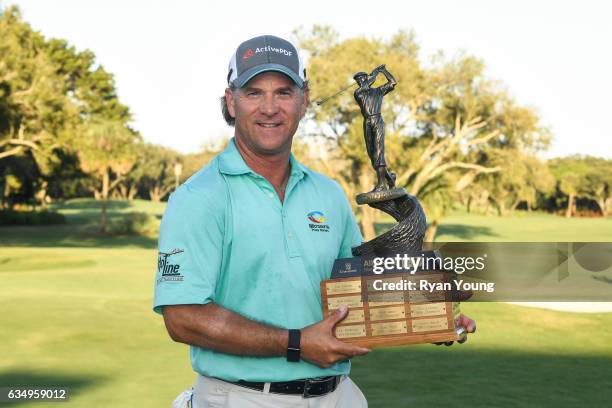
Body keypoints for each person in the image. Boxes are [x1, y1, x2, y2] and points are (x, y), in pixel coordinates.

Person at [153, 34, 476, 408]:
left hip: (338, 397)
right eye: (254, 92)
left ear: (304, 100)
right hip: (244, 398)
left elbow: (355, 292)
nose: (269, 108)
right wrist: (296, 343)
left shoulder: (328, 194)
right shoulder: (199, 197)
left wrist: (423, 316)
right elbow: (182, 318)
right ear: (231, 101)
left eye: (284, 92)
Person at [353, 65, 396, 192]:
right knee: (372, 155)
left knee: (378, 152)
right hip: (367, 122)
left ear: (365, 78)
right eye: (358, 80)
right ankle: (390, 178)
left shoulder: (378, 91)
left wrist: (383, 71)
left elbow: (393, 82)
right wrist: (375, 74)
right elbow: (366, 85)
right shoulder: (358, 93)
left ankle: (382, 184)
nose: (360, 81)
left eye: (361, 78)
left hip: (377, 120)